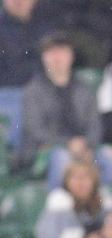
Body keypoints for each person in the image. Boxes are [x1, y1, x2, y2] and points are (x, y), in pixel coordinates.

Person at [21, 33, 112, 190]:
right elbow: (35, 130)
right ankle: (60, 203)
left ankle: (104, 205)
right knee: (61, 158)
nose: (57, 58)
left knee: (107, 158)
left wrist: (87, 146)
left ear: (71, 56)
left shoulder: (84, 89)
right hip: (47, 150)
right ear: (43, 58)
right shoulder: (33, 91)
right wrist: (67, 144)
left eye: (61, 51)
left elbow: (94, 126)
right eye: (51, 52)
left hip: (85, 149)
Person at [0, 0, 54, 154]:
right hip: (1, 94)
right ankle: (21, 158)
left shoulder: (45, 27)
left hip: (37, 91)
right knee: (26, 105)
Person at [36, 162, 107, 238]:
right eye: (75, 177)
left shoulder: (104, 203)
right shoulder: (58, 203)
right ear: (66, 181)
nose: (80, 183)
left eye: (86, 177)